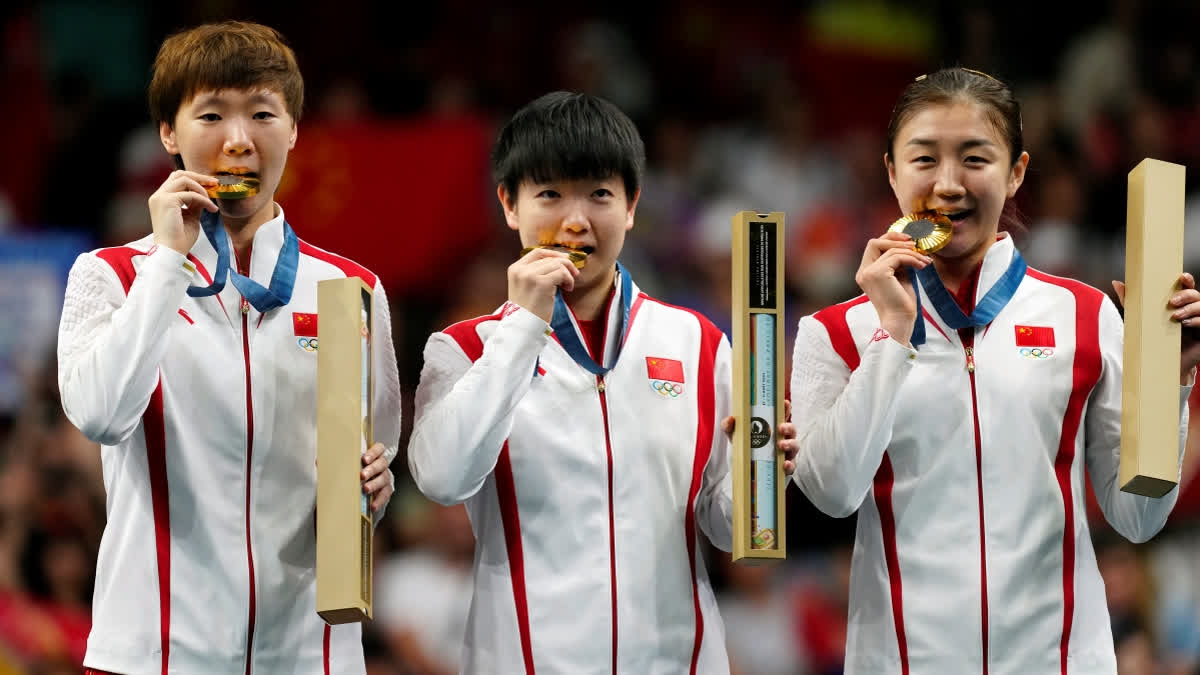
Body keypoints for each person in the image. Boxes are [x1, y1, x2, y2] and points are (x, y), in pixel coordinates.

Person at [784, 67, 1198, 674]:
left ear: (1017, 172)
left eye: (975, 158)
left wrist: (1170, 383)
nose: (948, 184)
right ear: (892, 172)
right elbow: (834, 494)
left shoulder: (1087, 316)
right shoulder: (835, 333)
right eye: (924, 159)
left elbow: (1137, 519)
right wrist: (894, 335)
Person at [407, 91, 795, 673]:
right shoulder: (465, 348)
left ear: (633, 205)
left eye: (599, 194)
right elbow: (442, 478)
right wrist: (521, 330)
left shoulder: (700, 344)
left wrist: (765, 469)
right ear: (509, 206)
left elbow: (728, 528)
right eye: (549, 195)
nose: (575, 220)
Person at [56, 21, 401, 674]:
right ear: (169, 133)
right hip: (153, 653)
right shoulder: (111, 276)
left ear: (294, 128)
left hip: (311, 655)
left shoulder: (350, 290)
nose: (239, 140)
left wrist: (372, 488)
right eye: (211, 114)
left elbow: (378, 438)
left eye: (263, 114)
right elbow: (101, 413)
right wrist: (166, 263)